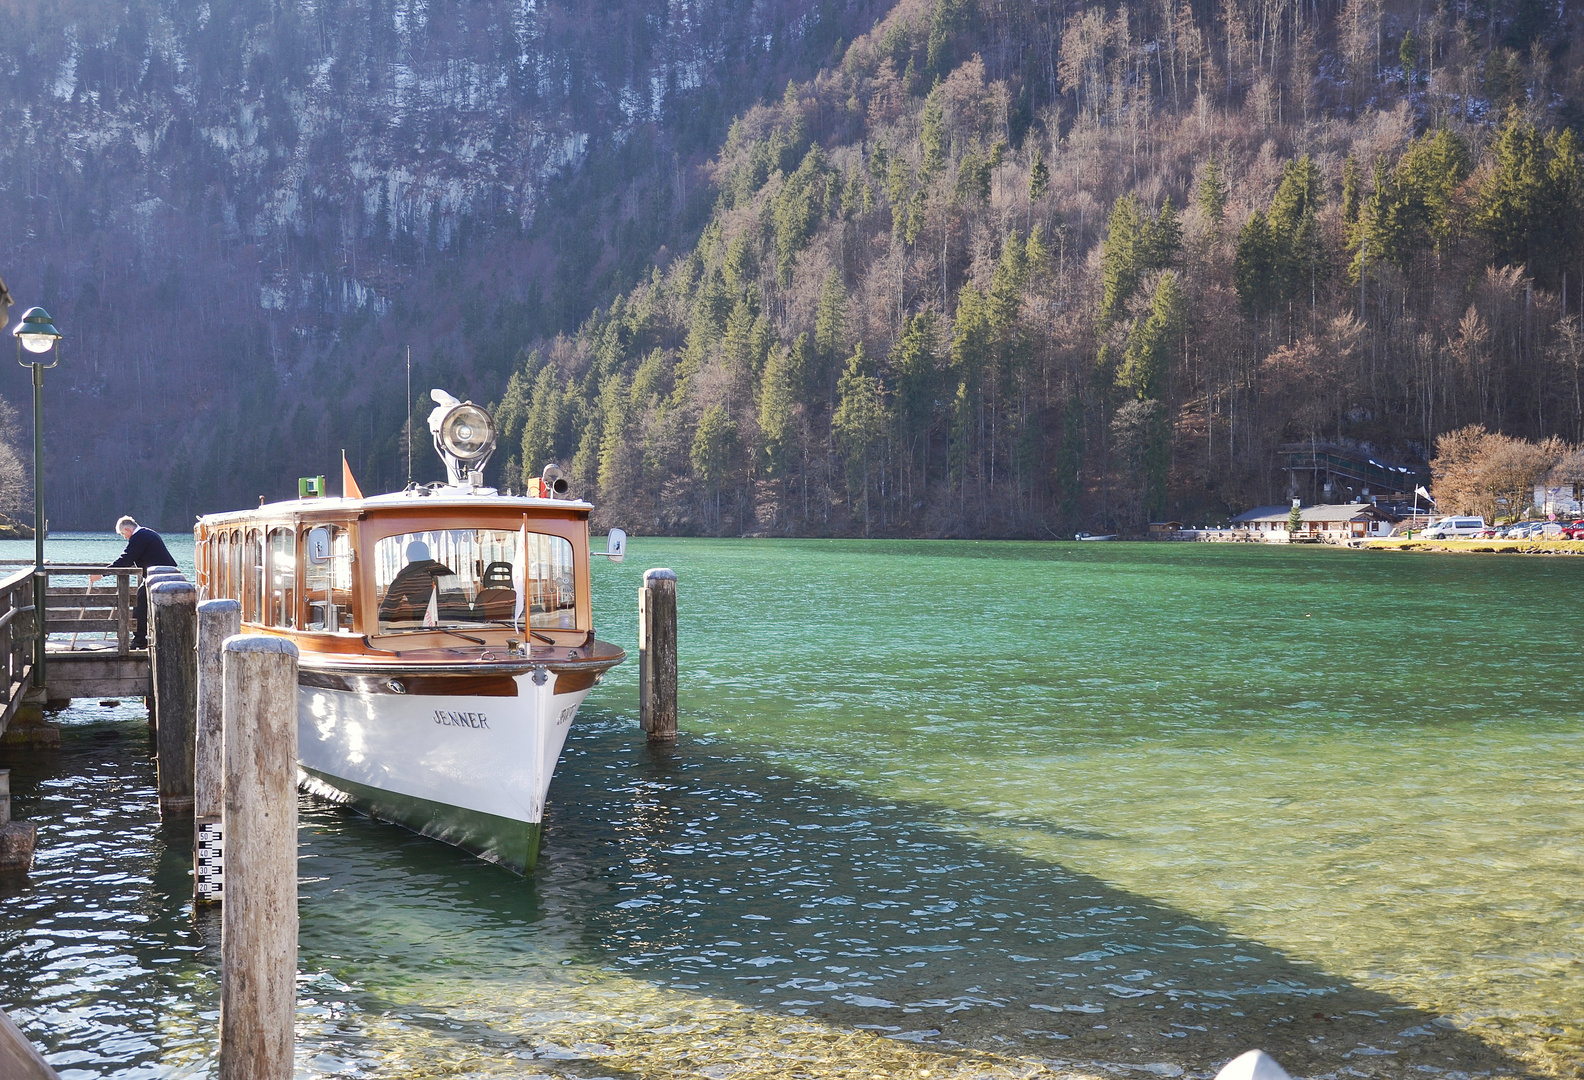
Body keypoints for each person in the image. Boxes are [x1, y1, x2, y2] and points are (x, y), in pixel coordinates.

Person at [89, 516, 177, 649]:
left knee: (140, 604)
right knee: (141, 602)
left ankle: (140, 639)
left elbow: (125, 559)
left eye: (123, 534)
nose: (124, 537)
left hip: (162, 576)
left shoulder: (139, 537)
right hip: (161, 575)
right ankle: (142, 638)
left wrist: (101, 574)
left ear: (127, 529)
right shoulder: (147, 533)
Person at [378, 540, 455, 624]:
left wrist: (379, 625)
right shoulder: (445, 572)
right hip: (455, 626)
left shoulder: (406, 576)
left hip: (423, 625)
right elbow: (462, 603)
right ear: (427, 554)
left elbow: (388, 606)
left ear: (408, 556)